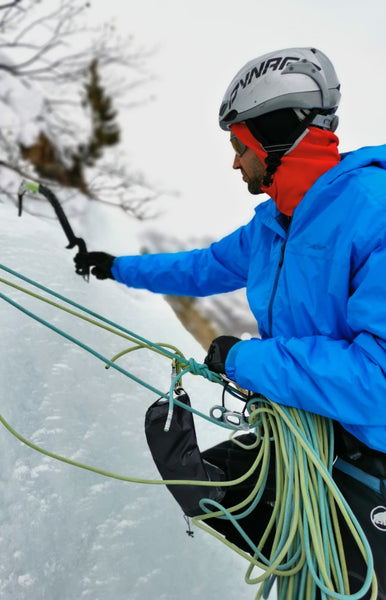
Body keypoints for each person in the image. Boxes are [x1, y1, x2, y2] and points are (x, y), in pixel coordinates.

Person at [75, 47, 386, 599]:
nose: (236, 163)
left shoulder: (373, 212)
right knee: (212, 491)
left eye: (240, 147)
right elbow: (201, 268)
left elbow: (378, 381)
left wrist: (242, 358)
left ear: (276, 139)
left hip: (371, 467)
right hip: (308, 441)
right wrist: (117, 267)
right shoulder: (274, 224)